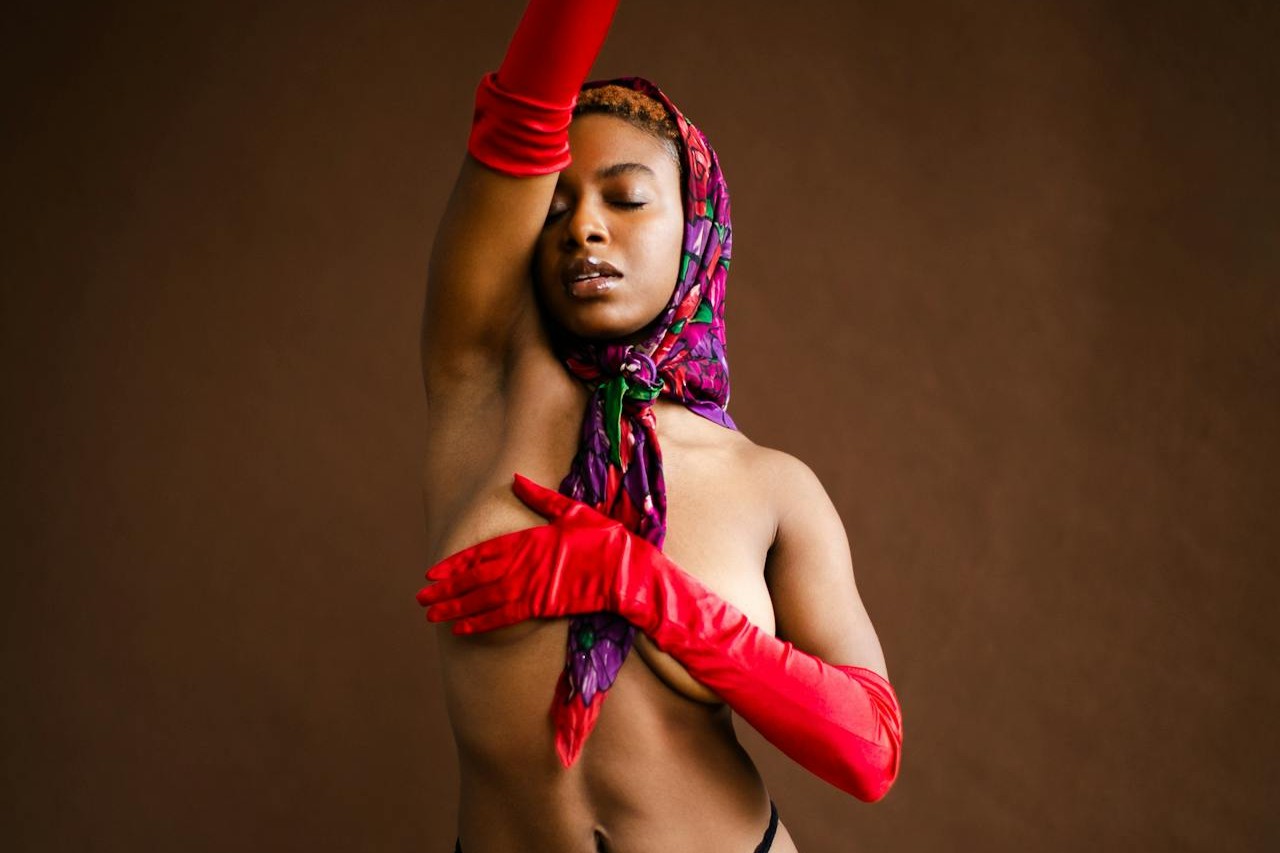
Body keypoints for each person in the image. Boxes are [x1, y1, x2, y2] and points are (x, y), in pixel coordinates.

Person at [415, 1, 903, 850]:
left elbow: (870, 751)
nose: (584, 226)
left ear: (696, 230)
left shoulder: (770, 485)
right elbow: (520, 119)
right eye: (555, 208)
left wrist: (643, 586)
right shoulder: (482, 379)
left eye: (627, 198)